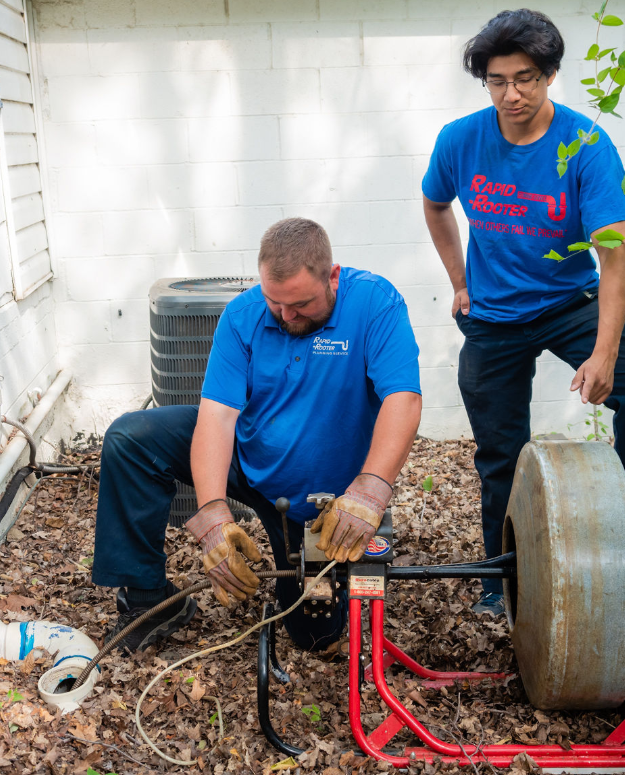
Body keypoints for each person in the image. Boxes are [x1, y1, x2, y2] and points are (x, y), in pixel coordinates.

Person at [422, 9, 625, 617]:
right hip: (494, 317)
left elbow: (614, 257)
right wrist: (460, 282)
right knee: (500, 456)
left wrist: (605, 353)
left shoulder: (585, 144)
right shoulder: (460, 139)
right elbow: (435, 205)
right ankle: (500, 580)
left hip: (570, 303)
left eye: (527, 78)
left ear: (551, 74)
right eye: (498, 80)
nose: (512, 93)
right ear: (484, 81)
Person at [92, 217, 422, 652]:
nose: (286, 316)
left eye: (300, 304)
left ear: (333, 277)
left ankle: (313, 592)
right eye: (275, 302)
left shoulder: (375, 305)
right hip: (249, 462)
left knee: (315, 637)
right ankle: (150, 599)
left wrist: (370, 491)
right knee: (131, 438)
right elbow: (216, 417)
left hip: (321, 503)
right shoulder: (243, 315)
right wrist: (212, 518)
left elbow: (404, 399)